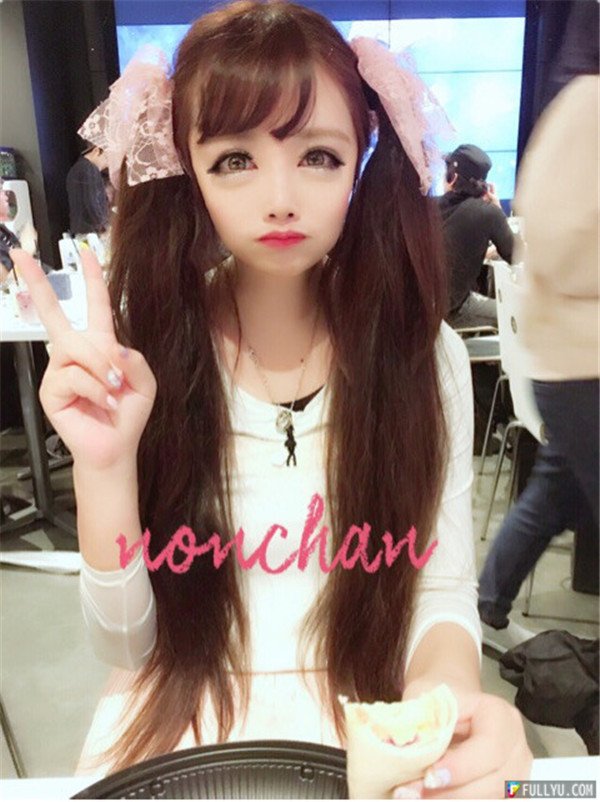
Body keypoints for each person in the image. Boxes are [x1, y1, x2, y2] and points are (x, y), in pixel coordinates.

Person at [11, 1, 531, 795]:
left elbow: (439, 591)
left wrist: (449, 700)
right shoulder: (147, 356)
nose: (280, 196)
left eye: (318, 155)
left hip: (363, 714)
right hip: (182, 715)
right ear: (188, 170)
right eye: (234, 160)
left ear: (360, 161)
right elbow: (126, 648)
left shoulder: (423, 358)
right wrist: (104, 469)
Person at [478, 0, 599, 641]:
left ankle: (487, 601)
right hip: (580, 360)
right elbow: (548, 244)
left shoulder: (573, 107)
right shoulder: (587, 108)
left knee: (556, 490)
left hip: (561, 355)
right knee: (557, 487)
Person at [438, 144, 515, 329]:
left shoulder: (427, 208)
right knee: (514, 312)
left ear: (452, 178)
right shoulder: (488, 213)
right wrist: (498, 210)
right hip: (452, 309)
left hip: (421, 309)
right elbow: (516, 255)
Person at [65, 144, 110, 236]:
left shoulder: (75, 168)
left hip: (79, 228)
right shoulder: (90, 168)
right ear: (96, 151)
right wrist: (103, 225)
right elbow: (92, 201)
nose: (107, 165)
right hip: (91, 229)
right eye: (106, 158)